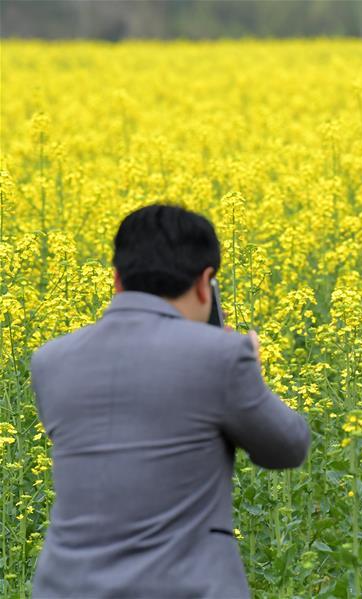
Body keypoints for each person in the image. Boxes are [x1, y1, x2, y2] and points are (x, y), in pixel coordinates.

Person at [29, 204, 311, 598]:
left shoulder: (49, 360)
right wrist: (250, 368)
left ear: (116, 280)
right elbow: (287, 448)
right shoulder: (222, 356)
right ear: (205, 283)